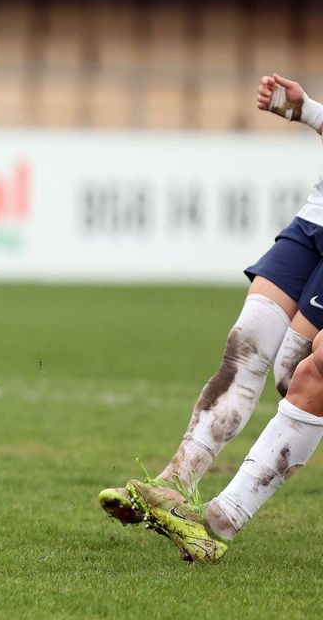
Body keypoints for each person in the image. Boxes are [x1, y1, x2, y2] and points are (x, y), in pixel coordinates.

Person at [126, 74, 323, 563]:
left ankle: (221, 518)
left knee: (303, 372)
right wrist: (309, 112)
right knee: (248, 342)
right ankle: (176, 485)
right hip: (316, 219)